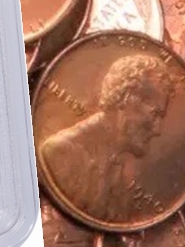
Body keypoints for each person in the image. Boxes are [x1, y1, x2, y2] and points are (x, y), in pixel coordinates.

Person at [39, 54, 176, 222]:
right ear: (127, 100)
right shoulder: (60, 152)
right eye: (155, 114)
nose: (157, 130)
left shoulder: (119, 176)